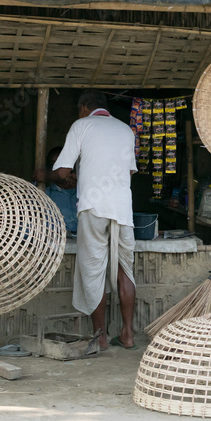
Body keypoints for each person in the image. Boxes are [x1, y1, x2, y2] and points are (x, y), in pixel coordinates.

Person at [42, 90, 137, 349]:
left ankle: (101, 337)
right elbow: (129, 172)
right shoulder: (126, 131)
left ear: (83, 108)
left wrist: (44, 175)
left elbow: (62, 171)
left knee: (94, 271)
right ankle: (128, 334)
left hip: (93, 206)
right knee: (124, 271)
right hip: (123, 209)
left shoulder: (81, 125)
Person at [40, 147, 78, 234]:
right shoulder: (44, 194)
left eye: (62, 163)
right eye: (53, 164)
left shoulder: (84, 191)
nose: (58, 168)